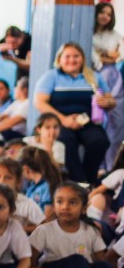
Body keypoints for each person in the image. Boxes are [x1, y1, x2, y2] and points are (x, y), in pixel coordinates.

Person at [33, 42, 115, 183]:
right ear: (59, 59)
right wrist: (63, 120)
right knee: (66, 143)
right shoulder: (52, 76)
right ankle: (80, 182)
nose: (72, 60)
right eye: (67, 56)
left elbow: (111, 101)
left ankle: (89, 179)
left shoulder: (93, 77)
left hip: (88, 123)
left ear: (82, 58)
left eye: (76, 56)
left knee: (100, 141)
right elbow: (39, 102)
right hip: (60, 123)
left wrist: (107, 102)